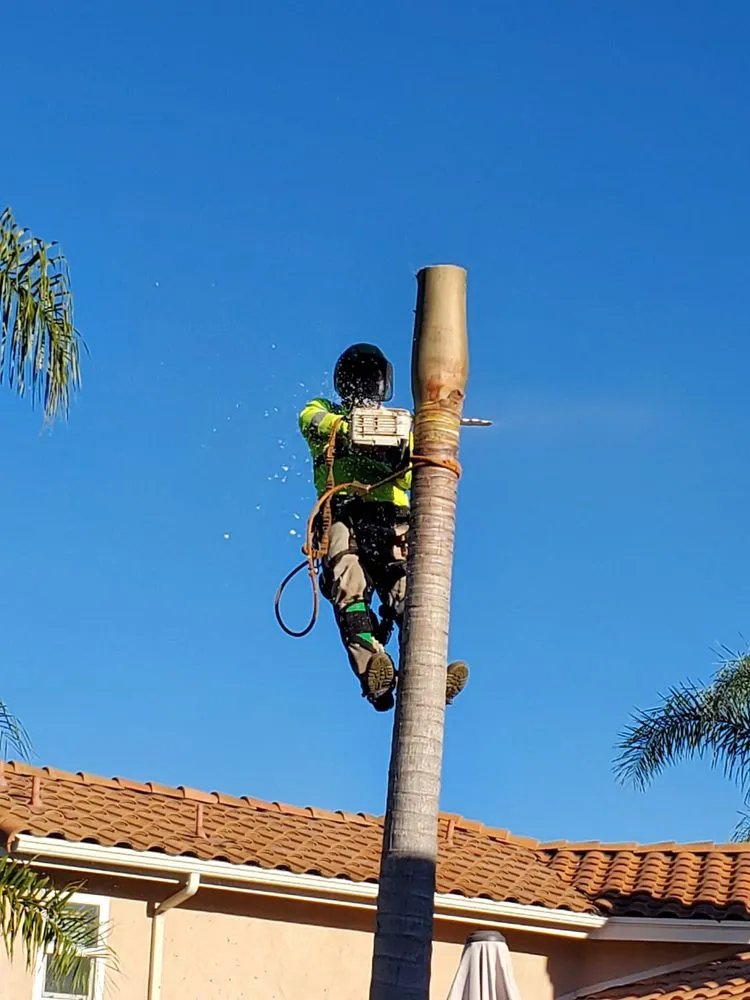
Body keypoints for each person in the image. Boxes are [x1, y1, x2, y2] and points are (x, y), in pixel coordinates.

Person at [299, 343, 468, 711]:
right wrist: (354, 426)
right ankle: (373, 670)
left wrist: (398, 436)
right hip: (344, 514)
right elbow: (311, 420)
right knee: (349, 588)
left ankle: (429, 673)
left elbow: (420, 458)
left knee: (408, 594)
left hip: (392, 519)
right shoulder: (322, 412)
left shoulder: (404, 426)